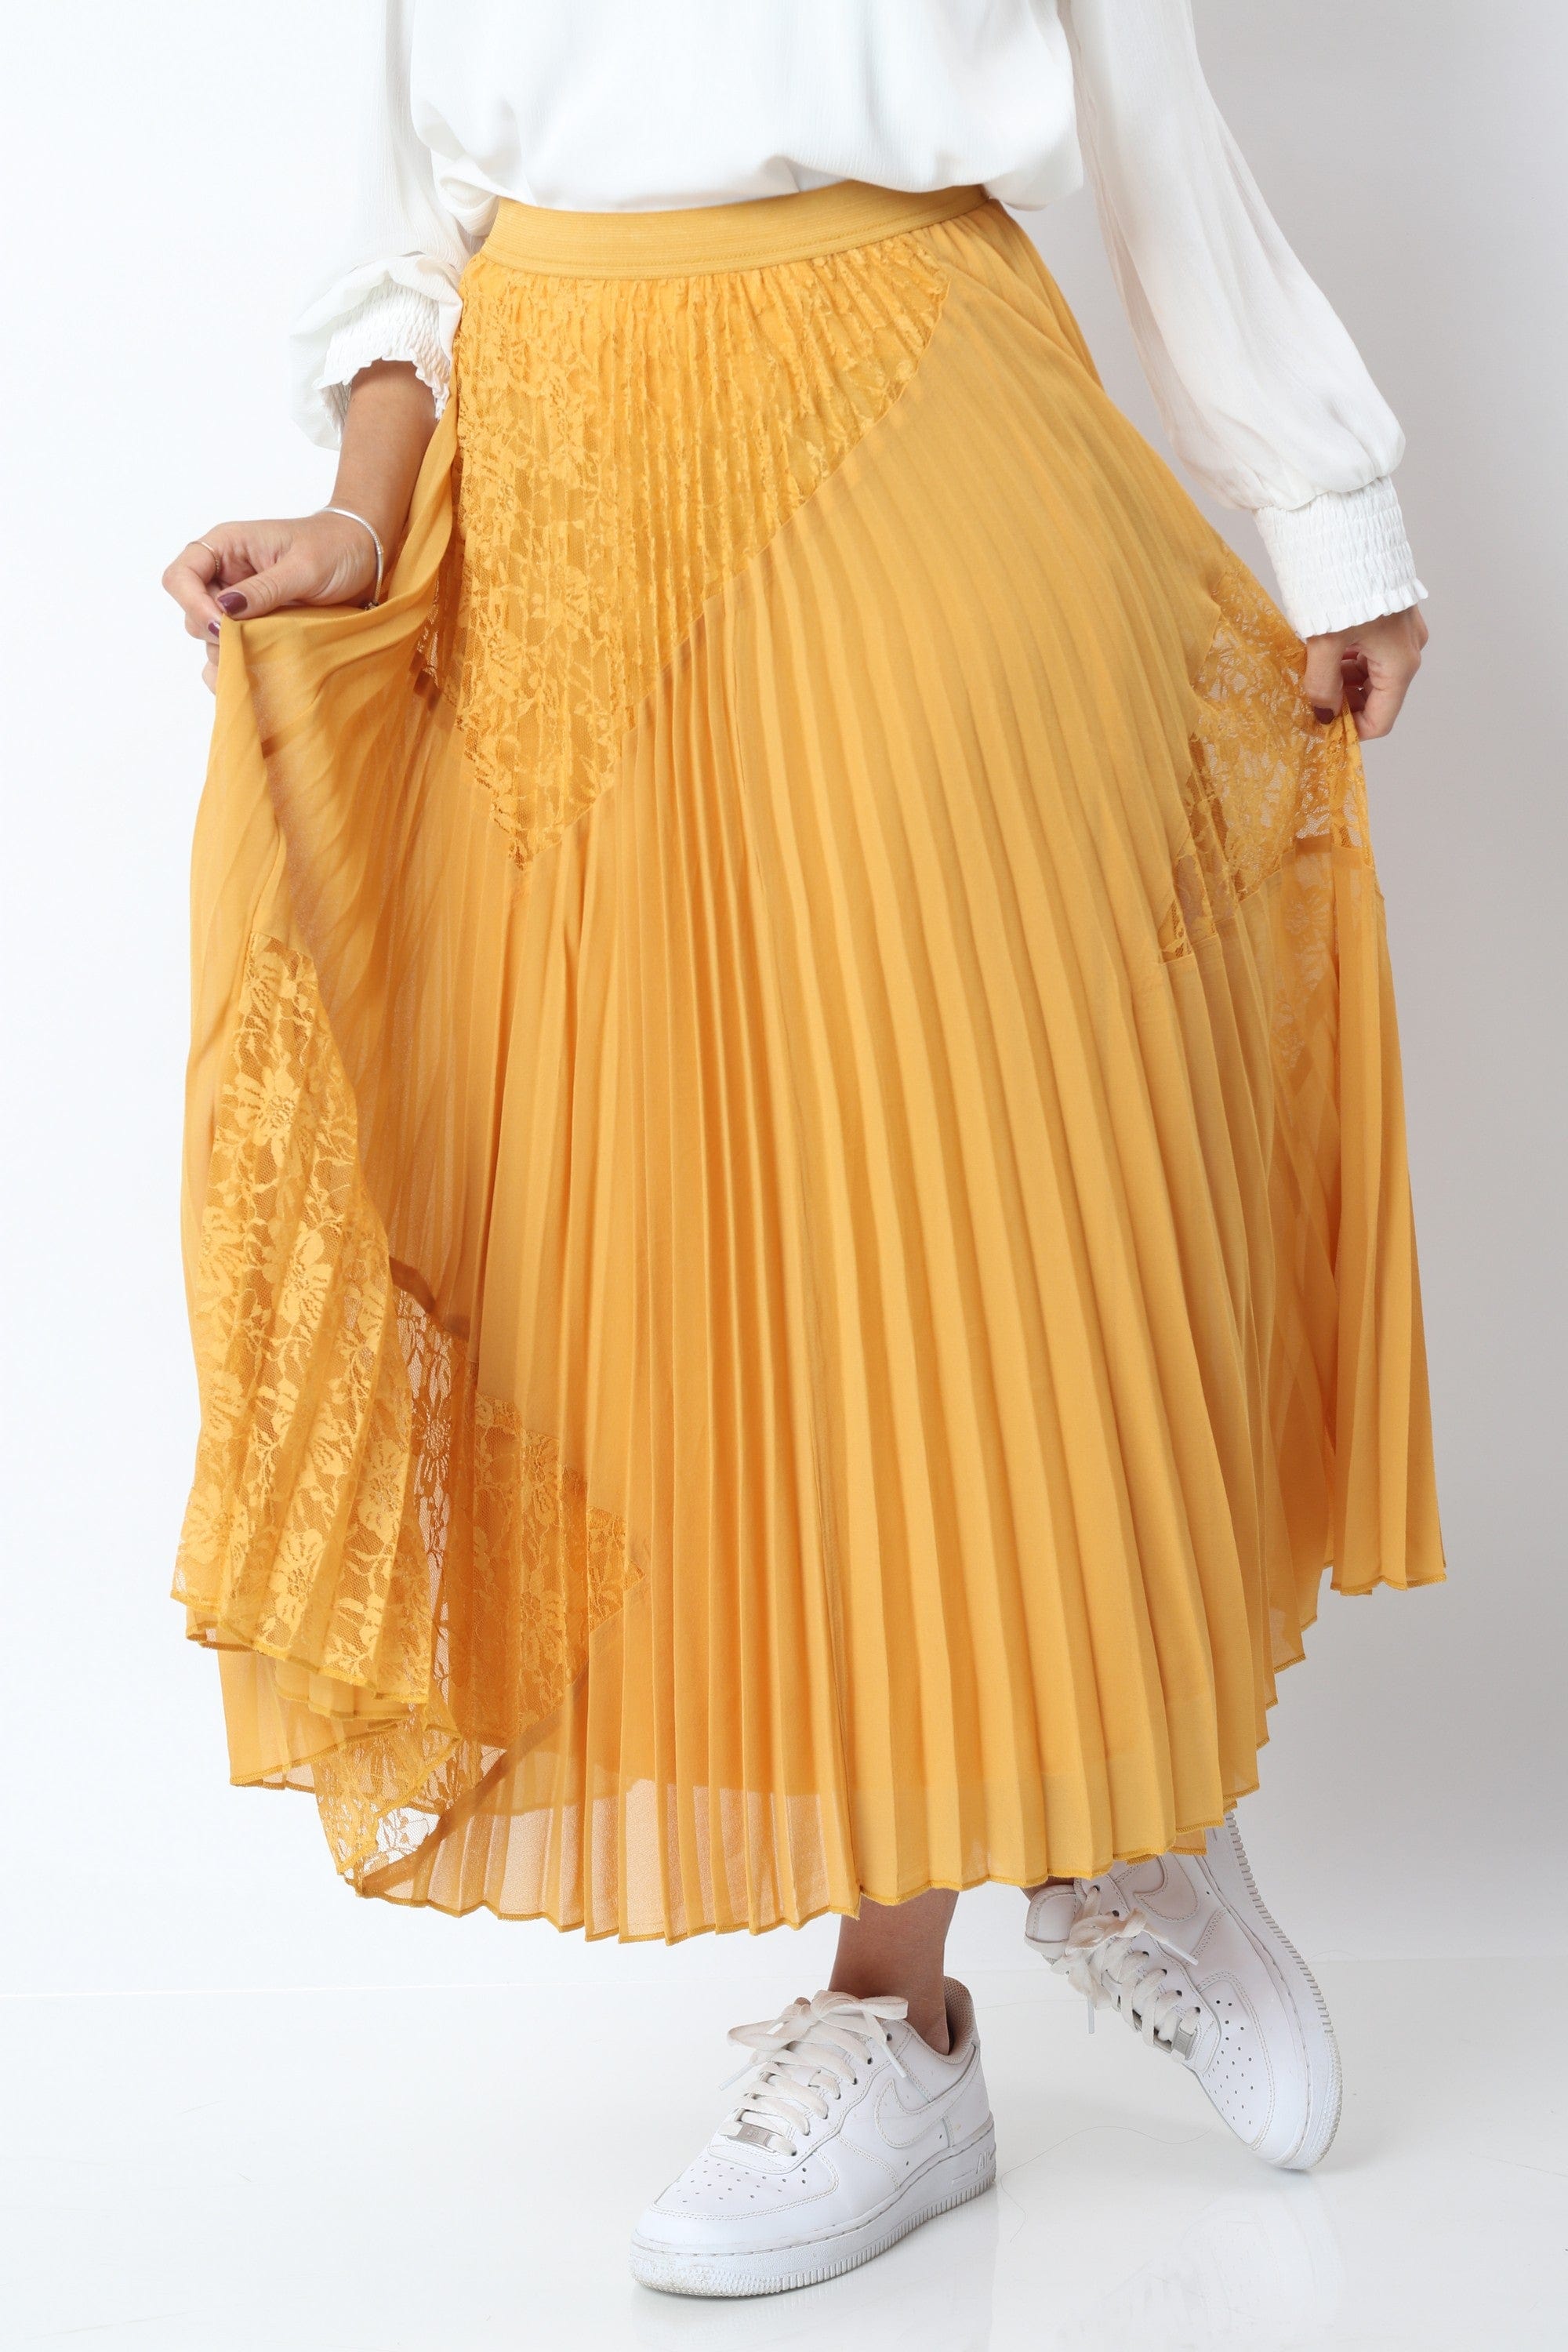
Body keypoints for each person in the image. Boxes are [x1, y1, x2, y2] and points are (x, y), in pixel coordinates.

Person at [162, 1, 1443, 2301]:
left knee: (950, 1212)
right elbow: (413, 211)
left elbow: (1147, 99)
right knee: (674, 1268)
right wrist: (359, 515)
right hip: (562, 523)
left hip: (915, 436)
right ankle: (1092, 1806)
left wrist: (1327, 509)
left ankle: (929, 1969)